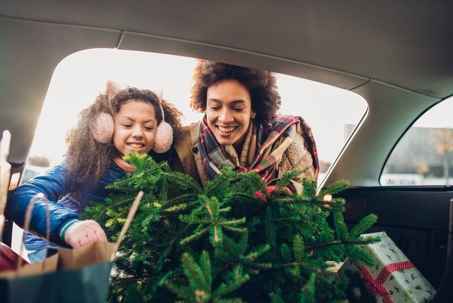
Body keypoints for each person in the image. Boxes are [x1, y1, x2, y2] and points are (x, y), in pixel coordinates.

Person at [6, 80, 183, 262]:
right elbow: (23, 195)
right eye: (127, 125)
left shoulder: (157, 176)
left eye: (148, 127)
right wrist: (69, 227)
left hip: (109, 258)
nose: (138, 133)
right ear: (108, 128)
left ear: (161, 135)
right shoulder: (86, 162)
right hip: (55, 247)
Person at [171, 60, 319, 193]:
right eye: (215, 107)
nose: (225, 118)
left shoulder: (288, 143)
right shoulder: (185, 145)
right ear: (205, 106)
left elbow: (309, 203)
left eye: (237, 108)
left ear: (254, 109)